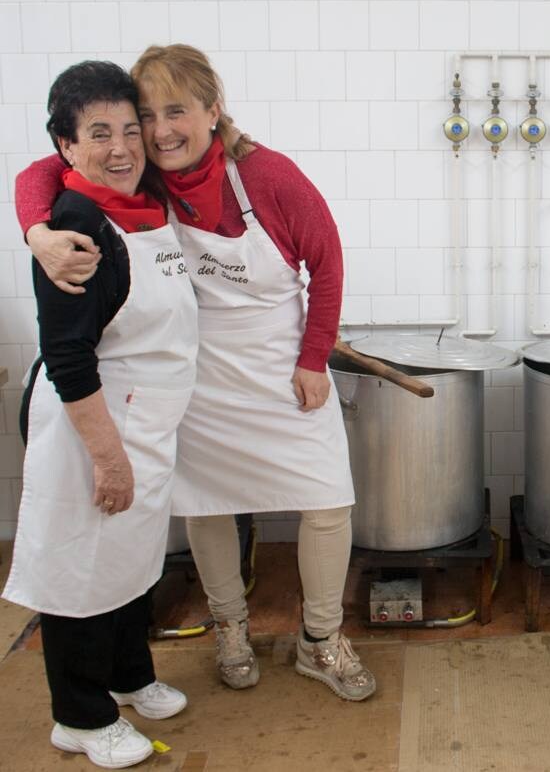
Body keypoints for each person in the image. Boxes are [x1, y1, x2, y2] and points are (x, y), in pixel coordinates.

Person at [16, 44, 375, 703]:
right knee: (209, 504)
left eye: (175, 110)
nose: (158, 130)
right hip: (198, 372)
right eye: (146, 114)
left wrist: (313, 357)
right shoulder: (144, 172)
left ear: (214, 110)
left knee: (327, 498)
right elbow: (42, 170)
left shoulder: (268, 176)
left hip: (280, 365)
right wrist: (36, 233)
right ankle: (229, 627)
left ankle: (321, 638)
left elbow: (328, 265)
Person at [3, 61, 198, 768]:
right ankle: (78, 716)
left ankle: (126, 675)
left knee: (127, 560)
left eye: (128, 128)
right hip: (90, 424)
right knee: (80, 569)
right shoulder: (74, 228)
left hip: (142, 421)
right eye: (98, 134)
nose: (120, 147)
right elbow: (69, 358)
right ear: (67, 147)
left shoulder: (144, 202)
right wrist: (108, 456)